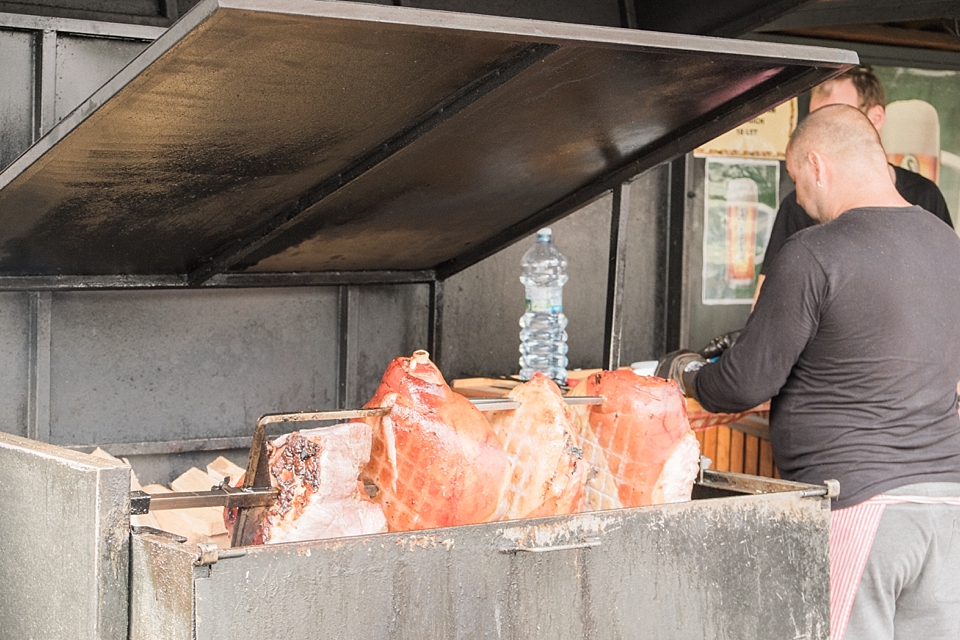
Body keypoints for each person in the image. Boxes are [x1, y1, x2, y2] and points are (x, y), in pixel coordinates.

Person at [657, 104, 960, 640]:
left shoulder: (815, 253)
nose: (798, 198)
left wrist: (685, 373)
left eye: (797, 180)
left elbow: (745, 382)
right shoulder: (948, 245)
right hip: (948, 505)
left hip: (860, 505)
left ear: (817, 166)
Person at [754, 66, 953, 305]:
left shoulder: (924, 195)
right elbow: (766, 300)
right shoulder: (800, 202)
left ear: (875, 118)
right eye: (815, 121)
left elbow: (948, 287)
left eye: (838, 117)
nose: (819, 134)